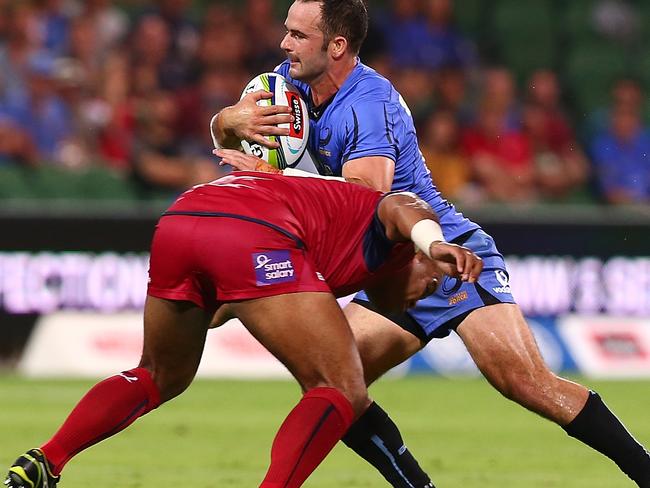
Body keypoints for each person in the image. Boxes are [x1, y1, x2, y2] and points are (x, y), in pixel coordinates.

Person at [210, 0, 650, 486]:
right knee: (335, 385)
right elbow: (225, 128)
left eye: (297, 35)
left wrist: (282, 177)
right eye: (287, 31)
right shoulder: (289, 82)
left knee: (526, 383)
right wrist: (231, 119)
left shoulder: (367, 103)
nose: (284, 44)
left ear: (336, 46)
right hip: (391, 264)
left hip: (441, 251)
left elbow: (367, 200)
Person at [4, 170, 483, 488]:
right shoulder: (399, 229)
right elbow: (402, 207)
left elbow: (233, 297)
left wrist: (211, 304)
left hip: (183, 218)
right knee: (340, 386)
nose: (428, 291)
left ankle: (47, 460)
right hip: (250, 230)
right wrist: (435, 239)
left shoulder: (326, 253)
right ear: (419, 256)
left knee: (161, 374)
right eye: (434, 280)